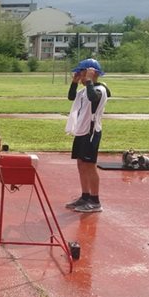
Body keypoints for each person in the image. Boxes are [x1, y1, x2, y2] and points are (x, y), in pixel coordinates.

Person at [64, 58, 111, 213]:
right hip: (82, 131)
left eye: (83, 72)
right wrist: (74, 82)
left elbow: (93, 98)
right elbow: (71, 97)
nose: (82, 76)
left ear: (92, 73)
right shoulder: (84, 90)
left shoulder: (100, 89)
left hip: (91, 132)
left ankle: (95, 200)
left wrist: (89, 80)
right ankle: (85, 196)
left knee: (90, 166)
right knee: (81, 164)